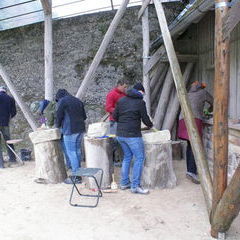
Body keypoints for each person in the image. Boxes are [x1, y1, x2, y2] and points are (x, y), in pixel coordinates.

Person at [113, 82, 153, 194]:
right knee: (140, 158)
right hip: (133, 135)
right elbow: (145, 119)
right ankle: (135, 186)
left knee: (127, 157)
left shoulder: (121, 100)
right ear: (141, 92)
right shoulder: (140, 102)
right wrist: (150, 125)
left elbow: (115, 117)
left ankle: (124, 183)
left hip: (120, 135)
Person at [178, 81, 213, 184]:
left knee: (190, 145)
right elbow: (214, 102)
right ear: (201, 87)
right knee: (195, 146)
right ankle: (192, 172)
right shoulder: (203, 92)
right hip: (194, 120)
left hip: (182, 120)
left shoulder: (187, 94)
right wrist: (208, 110)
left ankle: (190, 171)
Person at [55, 89, 87, 184]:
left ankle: (76, 177)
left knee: (71, 152)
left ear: (58, 97)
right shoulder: (78, 101)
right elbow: (84, 117)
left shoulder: (62, 101)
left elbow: (59, 116)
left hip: (70, 130)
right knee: (77, 151)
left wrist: (57, 126)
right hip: (80, 129)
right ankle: (79, 171)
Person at [0, 86, 17, 168]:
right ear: (5, 91)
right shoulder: (10, 98)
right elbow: (14, 112)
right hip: (5, 123)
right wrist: (8, 117)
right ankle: (12, 159)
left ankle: (1, 163)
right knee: (8, 140)